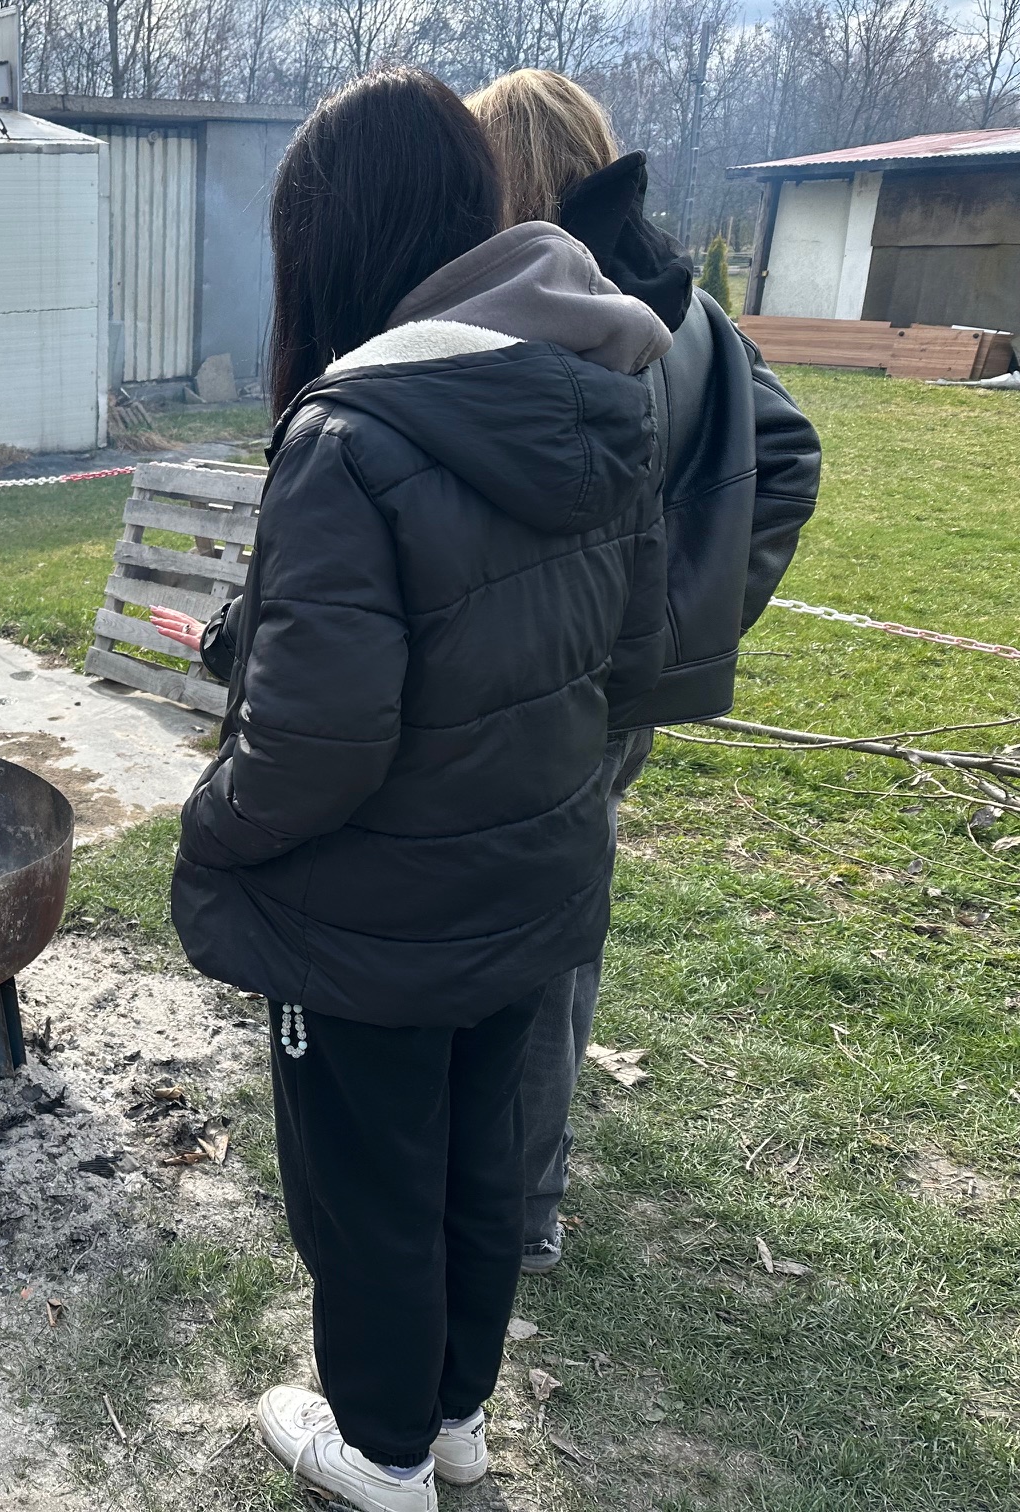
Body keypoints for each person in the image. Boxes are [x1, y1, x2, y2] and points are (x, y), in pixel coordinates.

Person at [165, 67, 672, 1512]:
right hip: (531, 886)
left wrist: (212, 827)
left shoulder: (352, 435)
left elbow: (316, 746)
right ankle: (453, 1422)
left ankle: (380, 1452)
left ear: (335, 238)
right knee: (475, 1168)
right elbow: (633, 666)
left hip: (374, 919)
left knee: (371, 1185)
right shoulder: (597, 391)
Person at [464, 68, 821, 1275]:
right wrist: (677, 630)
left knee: (531, 936)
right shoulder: (691, 305)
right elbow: (787, 457)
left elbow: (780, 459)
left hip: (544, 685)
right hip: (614, 688)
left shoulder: (557, 306)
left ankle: (522, 1204)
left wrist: (673, 623)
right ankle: (512, 1167)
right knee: (560, 921)